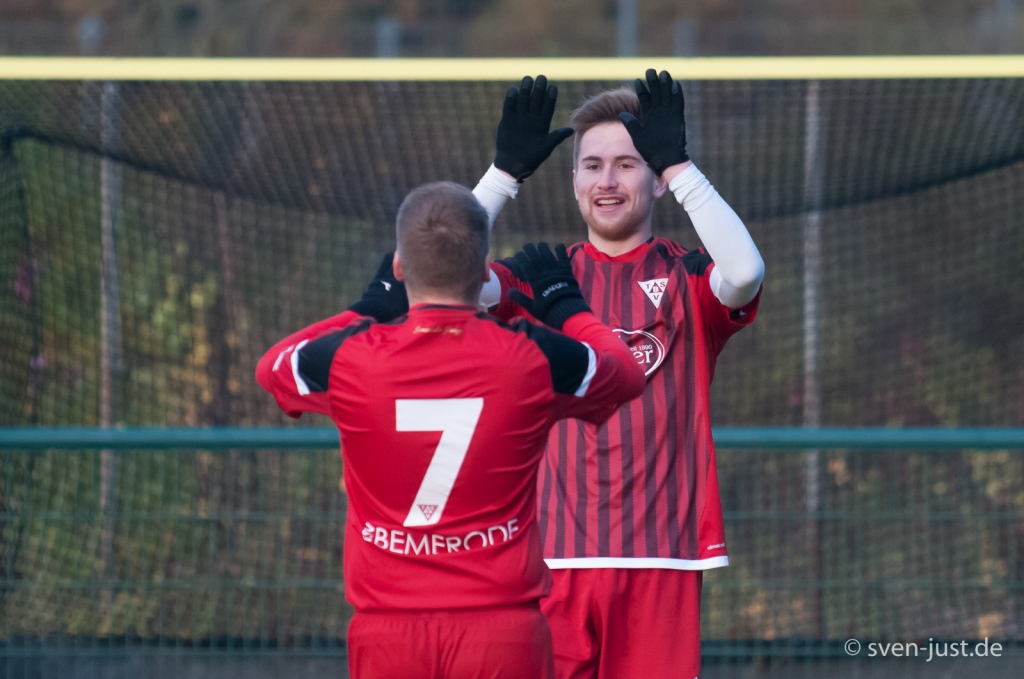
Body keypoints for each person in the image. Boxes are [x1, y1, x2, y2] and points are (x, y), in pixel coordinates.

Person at [255, 181, 645, 679]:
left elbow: (272, 367)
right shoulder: (532, 356)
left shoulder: (352, 357)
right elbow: (627, 373)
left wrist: (369, 307)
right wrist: (568, 308)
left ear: (398, 268)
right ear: (485, 270)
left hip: (387, 632)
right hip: (502, 632)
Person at [472, 71, 765, 679]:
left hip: (661, 560)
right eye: (592, 165)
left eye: (628, 164)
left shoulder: (688, 276)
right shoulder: (539, 278)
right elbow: (444, 276)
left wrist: (681, 165)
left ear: (656, 179)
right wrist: (501, 177)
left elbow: (743, 271)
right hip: (547, 560)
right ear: (573, 179)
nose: (606, 181)